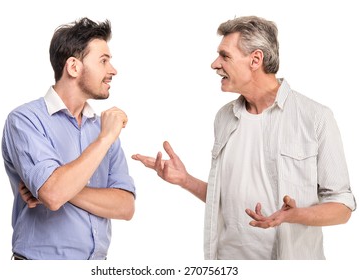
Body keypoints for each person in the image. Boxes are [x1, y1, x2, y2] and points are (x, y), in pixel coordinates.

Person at [132, 15, 356, 260]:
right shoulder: (224, 118)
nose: (215, 64)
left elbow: (342, 207)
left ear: (255, 59)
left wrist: (294, 215)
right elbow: (226, 200)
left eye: (225, 55)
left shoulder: (316, 117)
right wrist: (185, 180)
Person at [1, 17, 136, 260]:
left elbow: (125, 207)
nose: (113, 70)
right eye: (103, 61)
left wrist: (60, 190)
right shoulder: (24, 120)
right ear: (73, 67)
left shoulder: (101, 127)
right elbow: (53, 195)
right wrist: (104, 140)